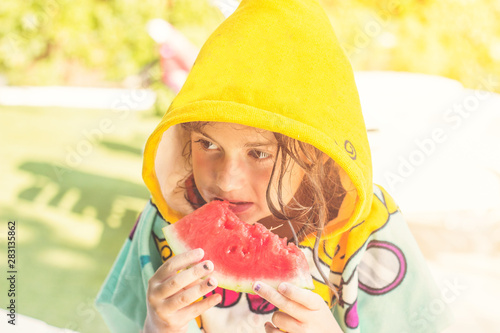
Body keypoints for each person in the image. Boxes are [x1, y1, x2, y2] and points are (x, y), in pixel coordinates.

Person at [96, 0, 453, 332]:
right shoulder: (165, 221)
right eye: (208, 145)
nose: (226, 179)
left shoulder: (369, 231)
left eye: (259, 153)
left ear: (315, 155)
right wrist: (157, 326)